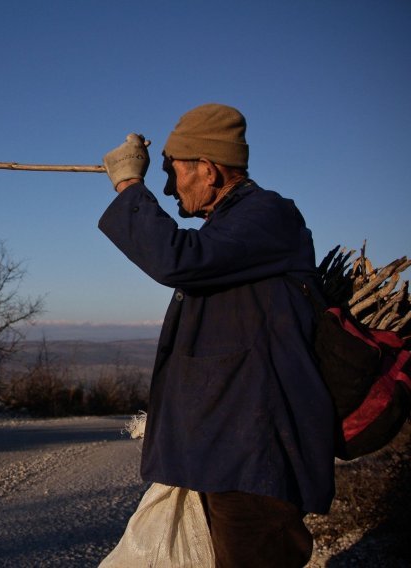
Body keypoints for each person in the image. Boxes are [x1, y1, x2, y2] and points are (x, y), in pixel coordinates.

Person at [99, 103, 335, 567]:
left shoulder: (269, 215)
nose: (167, 188)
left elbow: (177, 259)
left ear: (207, 169)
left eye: (174, 172)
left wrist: (130, 186)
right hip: (230, 455)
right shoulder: (232, 232)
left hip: (257, 459)